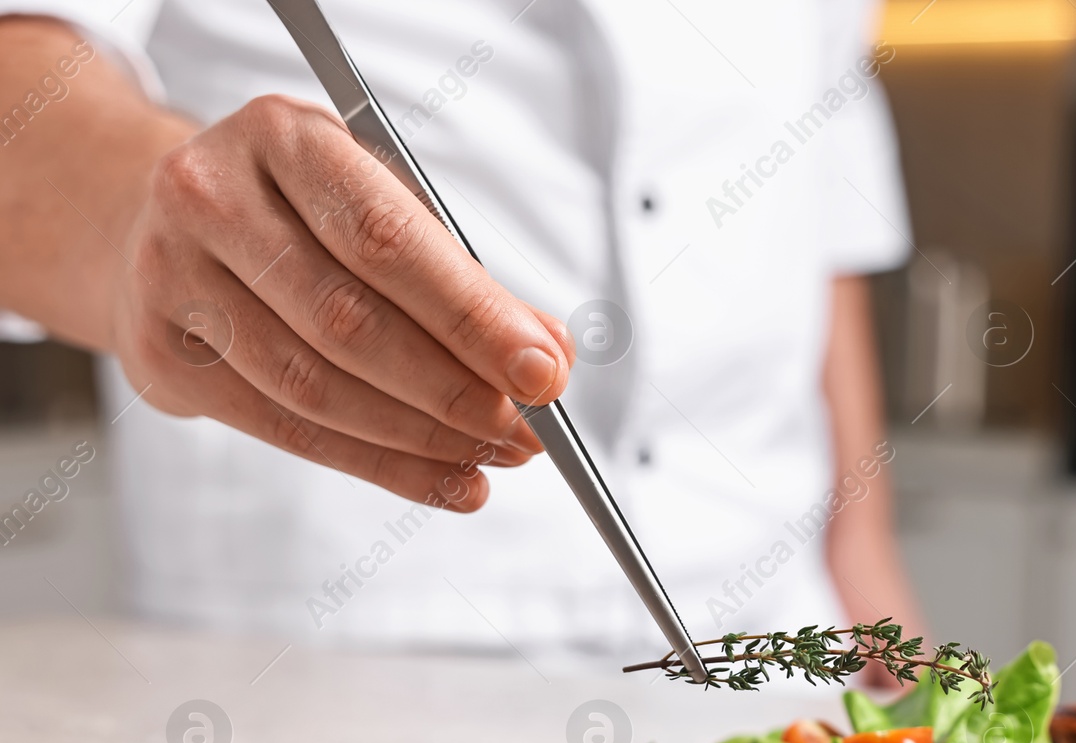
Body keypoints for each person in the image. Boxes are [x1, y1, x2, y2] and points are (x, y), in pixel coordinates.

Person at [0, 1, 925, 676]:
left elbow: (816, 205)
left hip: (769, 626)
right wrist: (140, 234)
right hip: (341, 642)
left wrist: (862, 553)